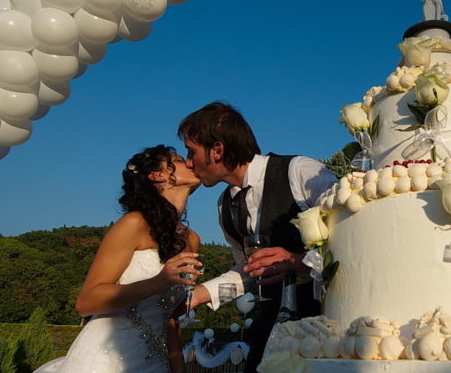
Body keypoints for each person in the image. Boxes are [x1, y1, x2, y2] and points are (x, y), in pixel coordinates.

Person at [180, 102, 336, 373]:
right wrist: (197, 296)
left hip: (325, 328)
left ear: (217, 150)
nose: (188, 163)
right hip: (271, 332)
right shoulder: (224, 206)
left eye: (191, 152)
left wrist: (299, 261)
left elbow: (353, 241)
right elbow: (249, 274)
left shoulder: (299, 172)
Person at [37, 145, 204, 373]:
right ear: (157, 176)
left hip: (156, 364)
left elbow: (171, 319)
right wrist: (158, 282)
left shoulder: (191, 240)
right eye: (178, 159)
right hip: (105, 360)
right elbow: (86, 303)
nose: (191, 163)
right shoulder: (133, 224)